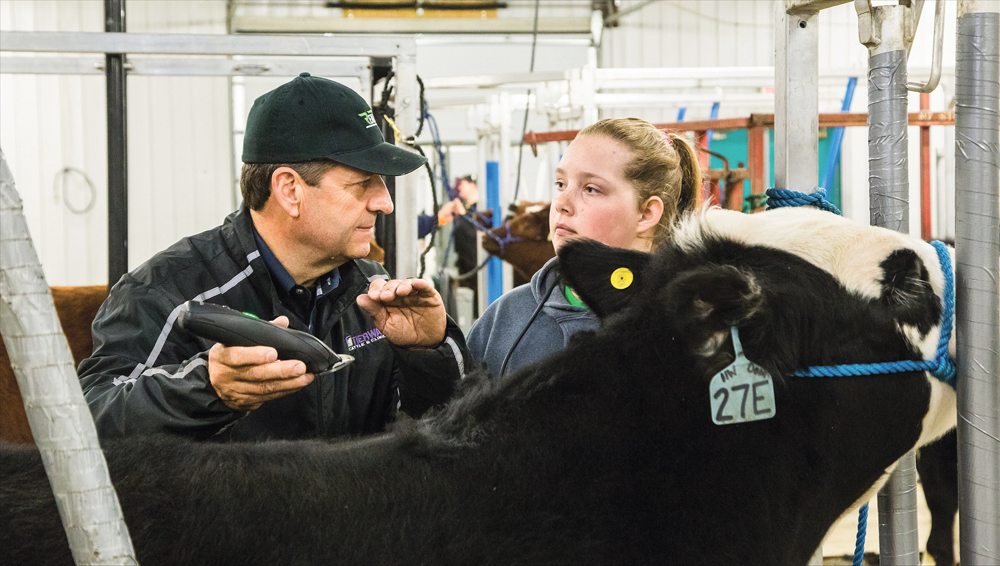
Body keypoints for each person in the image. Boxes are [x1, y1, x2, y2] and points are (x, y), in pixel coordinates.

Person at [79, 73, 469, 441]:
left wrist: (428, 350)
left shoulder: (374, 291)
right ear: (289, 190)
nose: (384, 202)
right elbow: (88, 419)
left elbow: (441, 432)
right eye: (363, 183)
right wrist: (208, 389)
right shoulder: (165, 292)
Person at [466, 117, 701, 379]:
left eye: (591, 189)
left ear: (646, 213)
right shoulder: (506, 318)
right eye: (560, 184)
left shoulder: (694, 325)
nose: (562, 203)